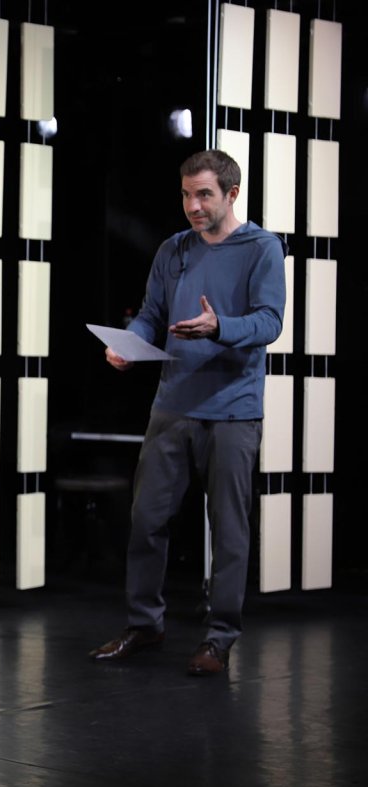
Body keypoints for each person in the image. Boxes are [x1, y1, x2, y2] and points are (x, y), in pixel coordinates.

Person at [88, 149, 285, 676]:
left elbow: (270, 321)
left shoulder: (262, 248)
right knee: (147, 520)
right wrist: (129, 344)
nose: (193, 206)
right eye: (185, 195)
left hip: (233, 410)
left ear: (232, 194)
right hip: (172, 406)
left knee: (229, 530)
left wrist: (220, 326)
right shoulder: (173, 249)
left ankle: (219, 638)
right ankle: (145, 624)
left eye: (204, 195)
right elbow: (151, 314)